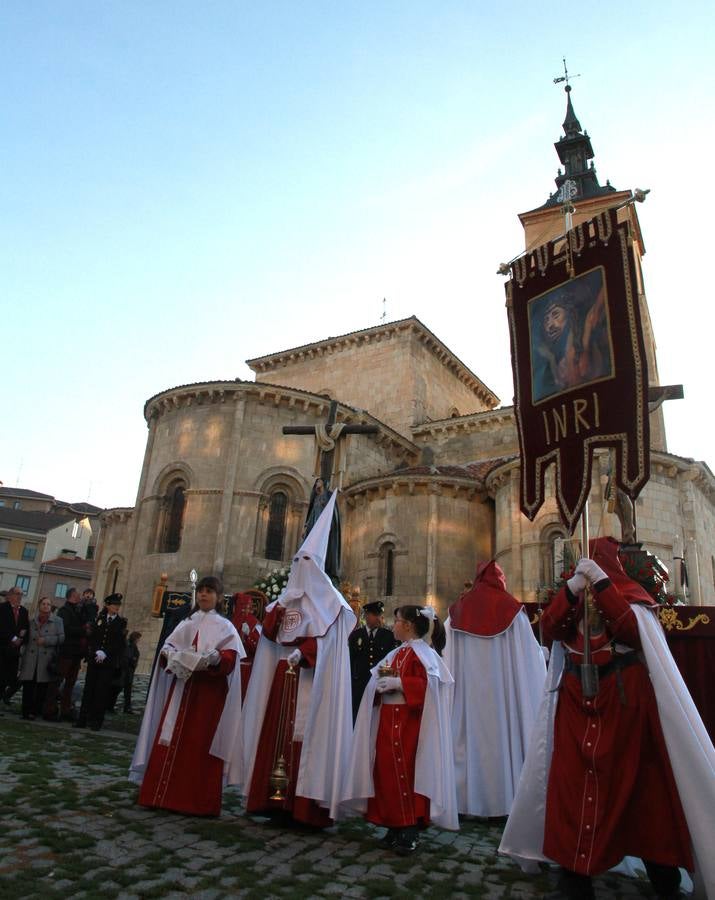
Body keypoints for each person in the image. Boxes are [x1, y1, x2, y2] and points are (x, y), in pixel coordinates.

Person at [500, 537, 715, 899]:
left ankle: (663, 875)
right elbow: (550, 630)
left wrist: (602, 585)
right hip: (575, 699)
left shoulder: (629, 595)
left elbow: (633, 631)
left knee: (642, 789)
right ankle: (574, 873)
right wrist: (572, 590)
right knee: (571, 786)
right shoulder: (573, 594)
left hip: (621, 699)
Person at [239, 490, 355, 827]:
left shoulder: (332, 604)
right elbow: (273, 636)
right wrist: (278, 607)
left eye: (307, 564)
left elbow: (331, 642)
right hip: (282, 686)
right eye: (296, 563)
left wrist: (303, 654)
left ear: (317, 567)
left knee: (305, 741)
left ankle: (304, 808)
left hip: (311, 686)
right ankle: (273, 802)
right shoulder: (288, 599)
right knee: (276, 737)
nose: (300, 570)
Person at [342, 604, 458, 854]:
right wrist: (378, 687)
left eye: (396, 621)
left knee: (405, 774)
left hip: (408, 724)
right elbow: (376, 679)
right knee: (385, 773)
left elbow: (430, 686)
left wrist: (401, 683)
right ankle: (393, 825)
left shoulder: (423, 655)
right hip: (387, 720)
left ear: (407, 626)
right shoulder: (397, 652)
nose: (392, 624)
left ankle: (409, 828)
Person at [130, 576, 244, 816]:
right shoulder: (186, 622)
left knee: (199, 743)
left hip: (207, 697)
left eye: (209, 591)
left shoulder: (226, 627)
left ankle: (196, 801)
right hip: (181, 690)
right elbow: (166, 650)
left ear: (219, 597)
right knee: (170, 738)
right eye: (201, 591)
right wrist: (171, 655)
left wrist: (214, 659)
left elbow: (230, 660)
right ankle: (159, 795)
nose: (203, 595)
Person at [443, 561, 546, 818]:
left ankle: (466, 801)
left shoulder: (457, 612)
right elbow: (529, 657)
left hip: (468, 699)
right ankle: (505, 801)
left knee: (467, 742)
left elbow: (448, 658)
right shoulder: (512, 611)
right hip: (504, 700)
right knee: (503, 741)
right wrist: (541, 654)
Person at [75, 593, 127, 731]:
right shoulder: (99, 619)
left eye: (118, 605)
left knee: (101, 692)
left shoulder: (121, 623)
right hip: (95, 660)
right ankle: (82, 719)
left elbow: (119, 643)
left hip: (108, 663)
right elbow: (93, 637)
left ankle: (96, 721)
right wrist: (97, 650)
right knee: (89, 690)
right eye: (114, 605)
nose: (116, 607)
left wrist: (106, 653)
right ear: (107, 606)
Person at [348, 600, 398, 722]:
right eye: (374, 615)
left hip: (377, 684)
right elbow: (351, 660)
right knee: (357, 717)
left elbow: (389, 660)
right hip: (359, 684)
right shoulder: (355, 636)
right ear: (366, 616)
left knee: (376, 718)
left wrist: (385, 683)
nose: (378, 618)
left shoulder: (388, 636)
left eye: (380, 615)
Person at [45, 587, 90, 720]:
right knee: (57, 682)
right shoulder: (64, 611)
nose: (79, 597)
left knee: (70, 683)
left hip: (76, 652)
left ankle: (66, 709)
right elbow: (66, 628)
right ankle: (49, 709)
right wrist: (83, 631)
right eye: (77, 595)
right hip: (66, 651)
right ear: (71, 596)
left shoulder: (78, 610)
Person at [18, 596, 64, 720]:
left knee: (41, 687)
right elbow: (26, 638)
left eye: (48, 604)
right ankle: (25, 711)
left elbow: (61, 638)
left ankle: (35, 711)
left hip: (45, 658)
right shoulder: (32, 621)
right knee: (28, 685)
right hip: (30, 657)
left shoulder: (57, 621)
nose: (46, 606)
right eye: (43, 603)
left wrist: (46, 640)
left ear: (51, 607)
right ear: (39, 606)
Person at [302, 477, 341, 582]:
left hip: (323, 527)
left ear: (324, 483)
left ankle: (324, 569)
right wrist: (306, 526)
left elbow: (332, 513)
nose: (316, 484)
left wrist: (329, 526)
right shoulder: (315, 498)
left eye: (319, 482)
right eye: (316, 482)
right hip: (313, 525)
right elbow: (312, 513)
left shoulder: (328, 496)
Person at [0, 587, 30, 711]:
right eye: (17, 594)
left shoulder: (23, 611)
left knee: (10, 678)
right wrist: (13, 638)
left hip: (14, 652)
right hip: (2, 648)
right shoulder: (2, 608)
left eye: (21, 595)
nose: (19, 597)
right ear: (10, 595)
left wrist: (22, 639)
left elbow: (25, 628)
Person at [230, 593, 261, 702]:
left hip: (246, 669)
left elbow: (260, 649)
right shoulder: (231, 622)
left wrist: (249, 636)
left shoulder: (254, 624)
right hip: (231, 667)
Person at [106, 630, 142, 714]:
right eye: (138, 638)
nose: (138, 640)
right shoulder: (128, 645)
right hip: (124, 672)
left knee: (127, 691)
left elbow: (134, 657)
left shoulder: (133, 646)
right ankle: (110, 706)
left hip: (129, 672)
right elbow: (127, 657)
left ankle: (126, 708)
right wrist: (132, 661)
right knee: (116, 689)